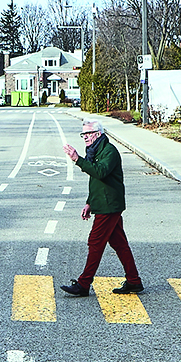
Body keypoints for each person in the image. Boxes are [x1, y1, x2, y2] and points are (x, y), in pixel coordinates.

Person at [59, 119, 143, 296]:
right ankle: (134, 281)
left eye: (88, 134)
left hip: (109, 205)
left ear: (98, 134)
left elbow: (100, 171)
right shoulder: (95, 150)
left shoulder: (109, 151)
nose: (85, 138)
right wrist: (90, 202)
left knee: (95, 242)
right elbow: (96, 179)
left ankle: (83, 284)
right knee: (119, 243)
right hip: (103, 202)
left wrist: (77, 159)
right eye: (83, 134)